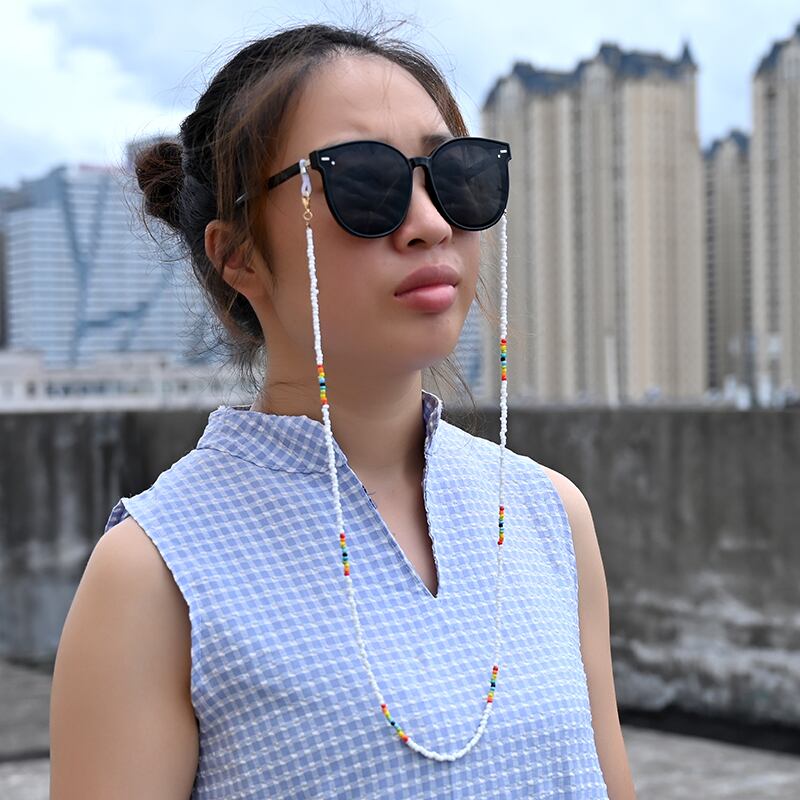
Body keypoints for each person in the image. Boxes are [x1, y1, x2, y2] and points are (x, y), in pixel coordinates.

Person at [49, 19, 637, 800]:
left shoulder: (549, 516)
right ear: (239, 255)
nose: (431, 223)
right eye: (364, 181)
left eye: (456, 176)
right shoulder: (157, 575)